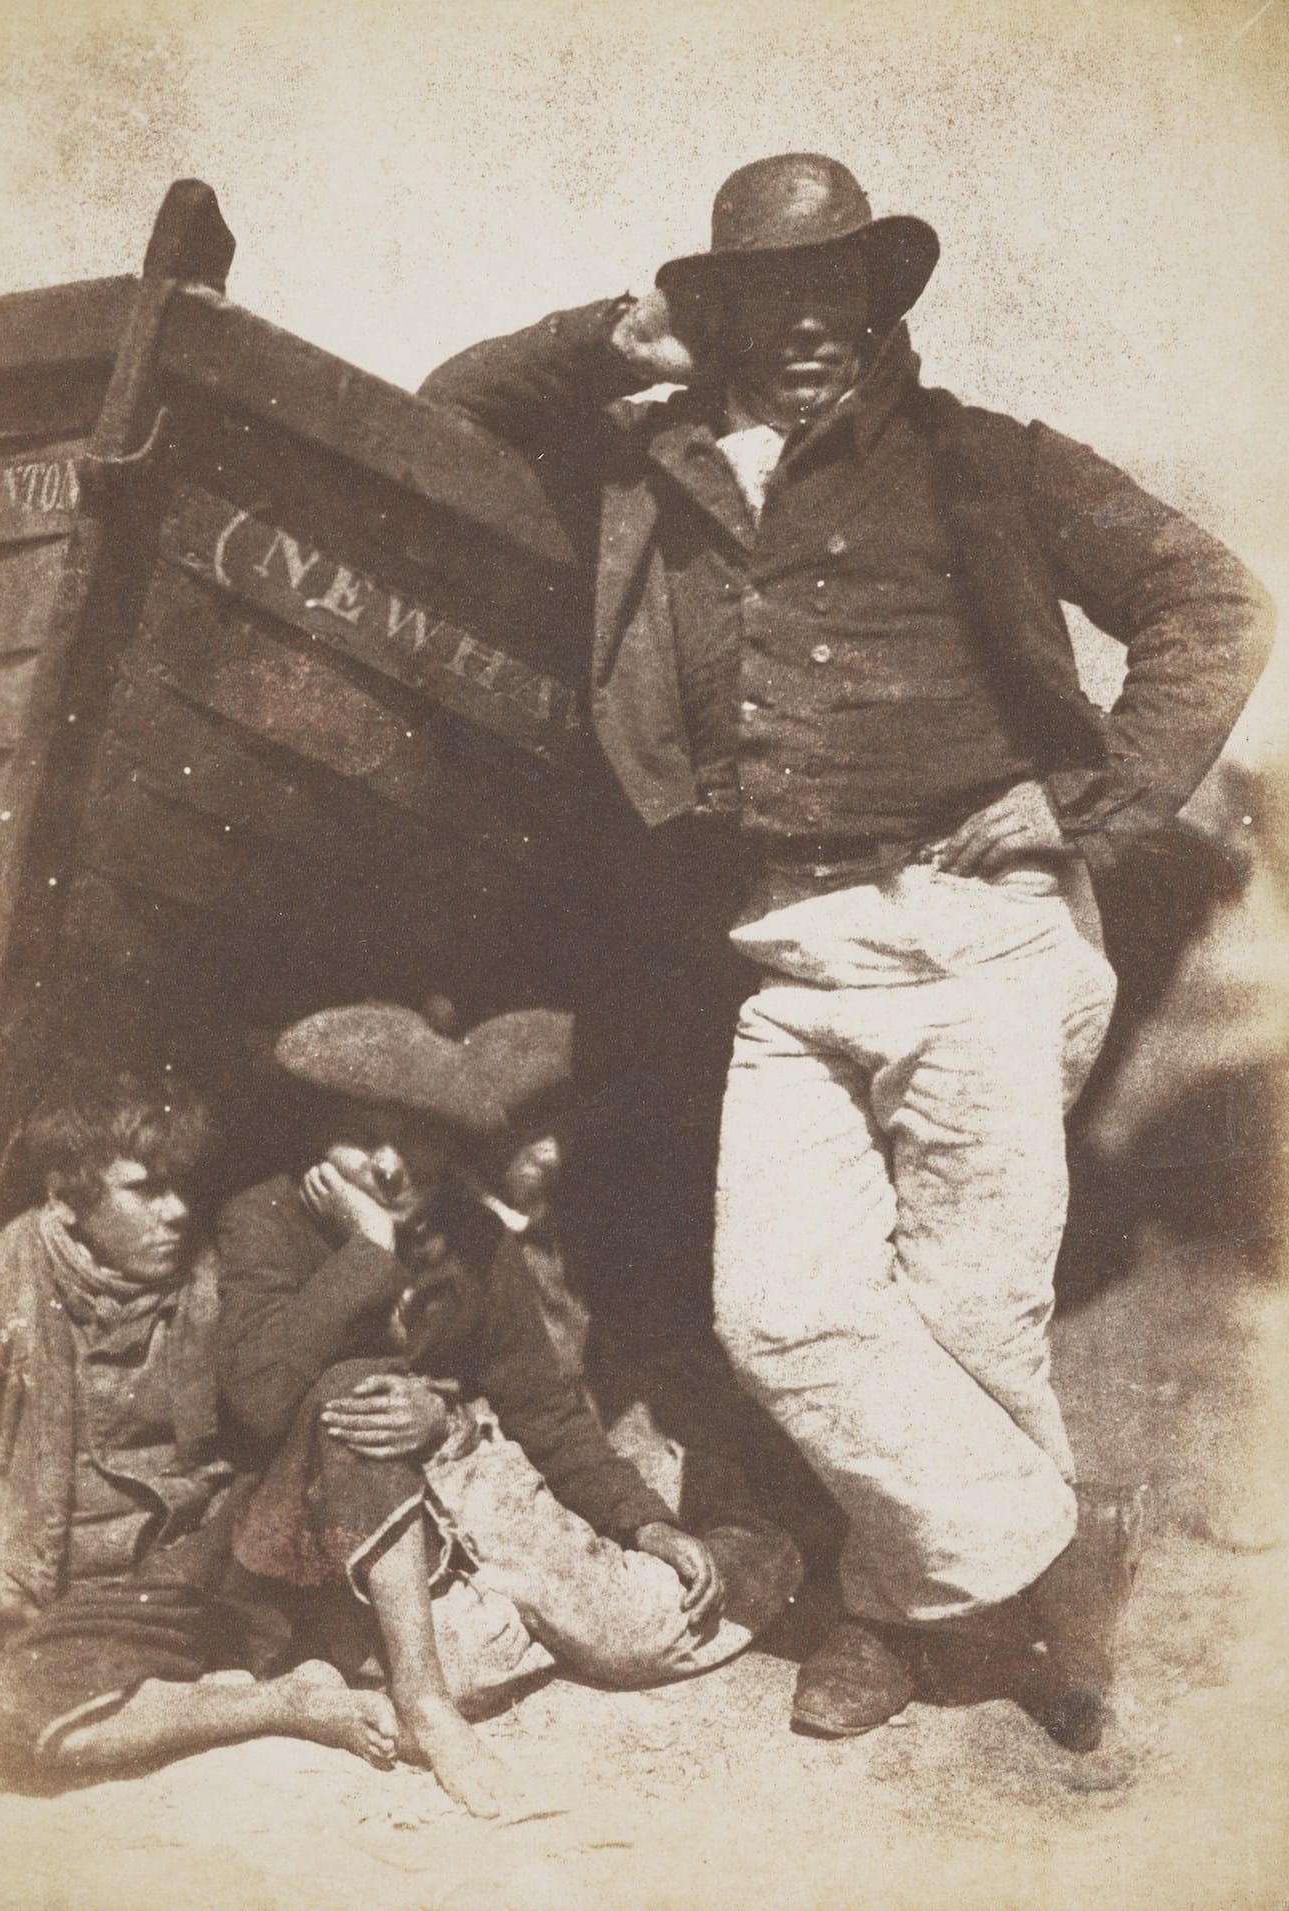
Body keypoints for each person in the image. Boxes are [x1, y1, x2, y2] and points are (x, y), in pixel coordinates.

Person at [418, 153, 1275, 1750]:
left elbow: (1209, 599)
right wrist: (614, 330)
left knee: (970, 1308)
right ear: (720, 313)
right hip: (790, 950)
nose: (813, 325)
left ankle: (902, 1621)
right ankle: (1051, 1553)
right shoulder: (651, 470)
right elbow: (450, 412)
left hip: (983, 942)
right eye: (772, 298)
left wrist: (1085, 798)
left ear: (881, 306)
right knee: (785, 1307)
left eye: (842, 292)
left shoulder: (987, 462)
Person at [216, 1003, 802, 1817]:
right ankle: (458, 1664)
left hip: (463, 1473)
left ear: (451, 1145)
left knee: (639, 1630)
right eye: (359, 1134)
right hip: (325, 1511)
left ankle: (752, 1545)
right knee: (457, 1659)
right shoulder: (263, 1217)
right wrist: (369, 1251)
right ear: (316, 1133)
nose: (388, 1164)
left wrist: (643, 1524)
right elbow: (258, 1402)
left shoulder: (467, 1232)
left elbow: (543, 1405)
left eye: (414, 1137)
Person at [0, 1066, 397, 1794]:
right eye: (146, 1189)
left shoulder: (215, 1271)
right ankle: (279, 1701)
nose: (178, 1211)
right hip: (74, 1593)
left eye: (183, 1184)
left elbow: (310, 1365)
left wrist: (429, 1400)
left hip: (214, 1559)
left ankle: (263, 1685)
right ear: (68, 1201)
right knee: (6, 1713)